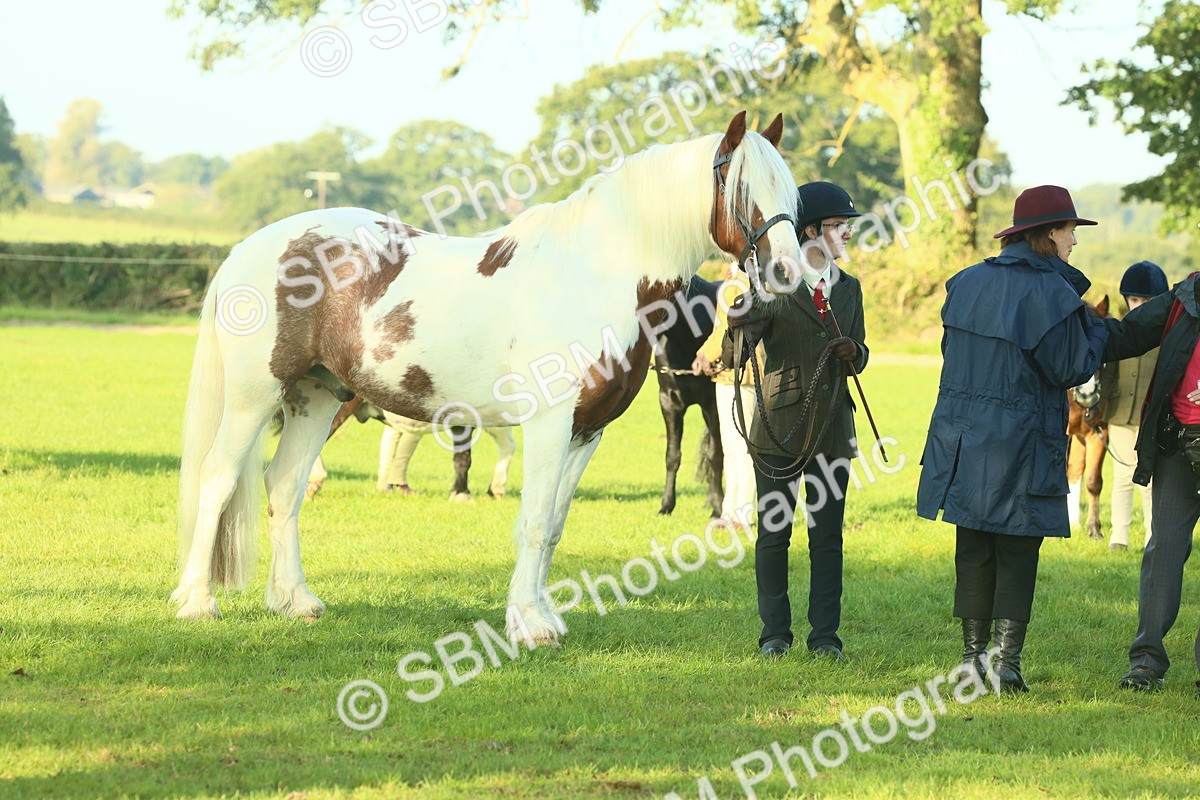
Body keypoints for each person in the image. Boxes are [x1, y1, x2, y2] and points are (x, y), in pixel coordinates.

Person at [916, 185, 1108, 692]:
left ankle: (972, 662)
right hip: (1021, 439)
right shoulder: (1053, 293)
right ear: (1048, 234)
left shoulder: (966, 283)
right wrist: (1098, 332)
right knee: (1018, 550)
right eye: (1070, 231)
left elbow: (949, 352)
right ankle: (1004, 666)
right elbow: (1071, 366)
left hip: (962, 434)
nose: (1074, 241)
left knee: (974, 546)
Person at [729, 180, 869, 660]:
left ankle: (825, 636)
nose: (847, 233)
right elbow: (738, 352)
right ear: (811, 230)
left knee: (827, 537)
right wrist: (739, 322)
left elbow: (861, 352)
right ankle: (774, 635)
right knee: (774, 535)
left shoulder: (850, 289)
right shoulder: (774, 283)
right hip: (778, 429)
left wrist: (857, 351)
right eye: (838, 226)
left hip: (833, 429)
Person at [1098, 266, 1200, 696]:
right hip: (1177, 441)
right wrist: (1065, 316)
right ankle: (1146, 662)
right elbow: (1126, 334)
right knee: (1163, 550)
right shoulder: (1185, 295)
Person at [1103, 261, 1168, 550]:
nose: (1139, 305)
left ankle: (1151, 534)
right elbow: (1108, 374)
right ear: (1126, 299)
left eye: (1146, 301)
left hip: (1150, 417)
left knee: (1150, 479)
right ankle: (1119, 536)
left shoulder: (1166, 336)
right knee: (1121, 475)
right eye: (1134, 299)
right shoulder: (1119, 331)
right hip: (1119, 413)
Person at [692, 261, 760, 531]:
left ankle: (743, 514)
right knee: (731, 447)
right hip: (728, 372)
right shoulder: (738, 273)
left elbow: (729, 327)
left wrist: (706, 354)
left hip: (744, 372)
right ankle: (731, 511)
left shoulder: (747, 278)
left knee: (742, 447)